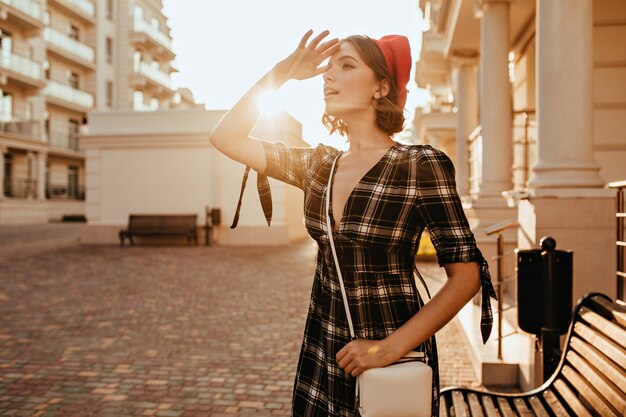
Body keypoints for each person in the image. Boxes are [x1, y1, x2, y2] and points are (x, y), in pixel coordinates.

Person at [209, 29, 496, 417]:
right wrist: (282, 71)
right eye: (329, 68)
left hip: (394, 348)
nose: (329, 76)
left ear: (381, 86)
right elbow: (225, 137)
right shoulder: (318, 165)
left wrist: (386, 348)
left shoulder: (419, 164)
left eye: (346, 66)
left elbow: (466, 277)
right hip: (325, 343)